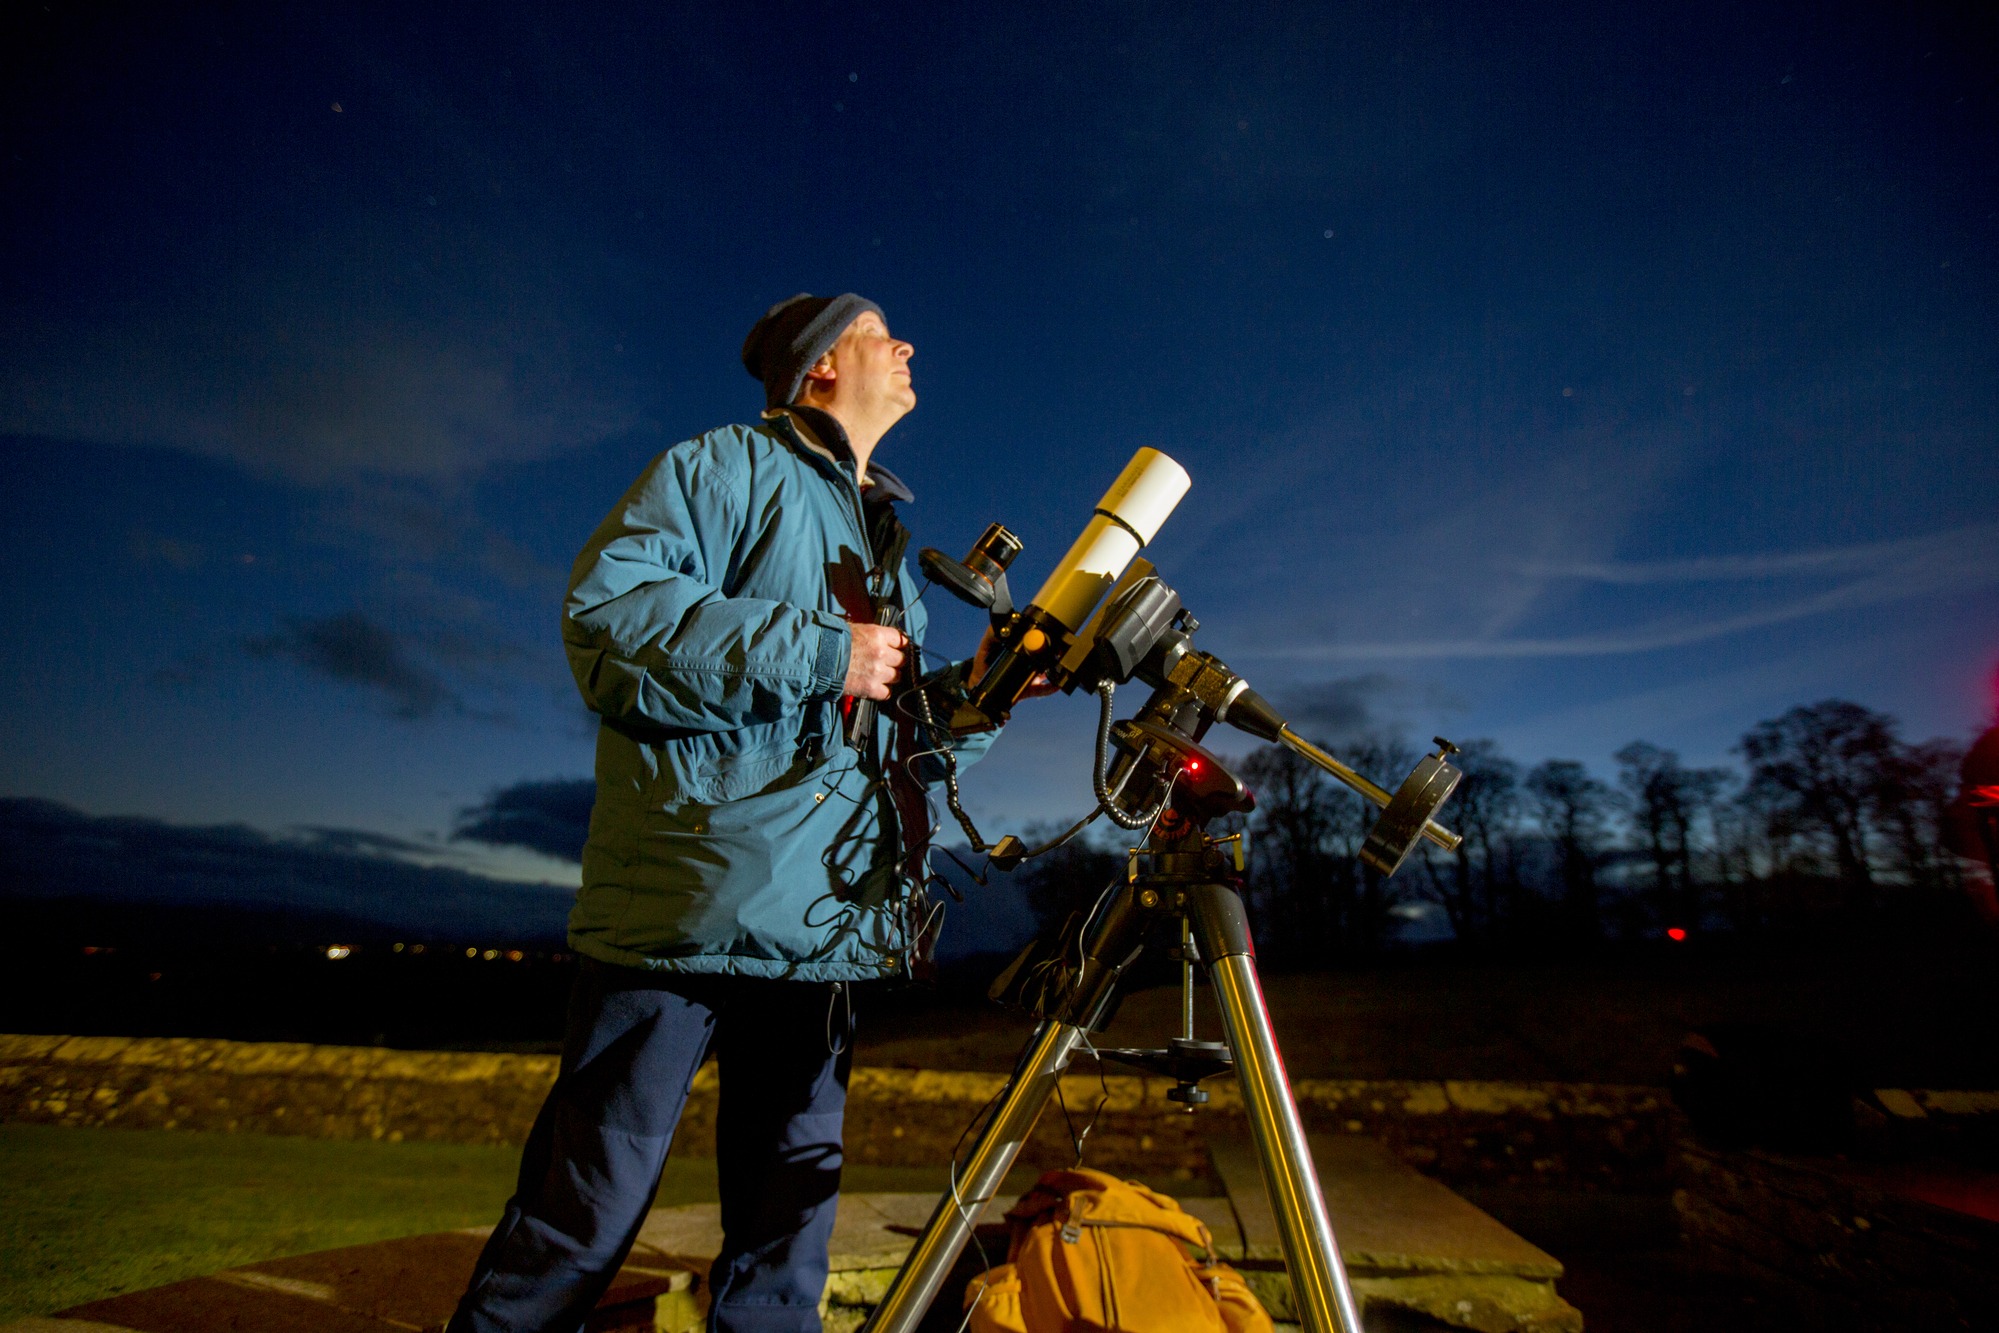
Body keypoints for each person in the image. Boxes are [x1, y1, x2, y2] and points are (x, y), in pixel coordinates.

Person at [449, 292, 1000, 1333]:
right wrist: (818, 647)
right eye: (881, 330)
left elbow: (894, 744)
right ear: (820, 368)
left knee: (787, 1235)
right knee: (584, 1215)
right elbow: (609, 622)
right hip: (685, 912)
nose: (909, 342)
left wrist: (983, 703)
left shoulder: (884, 540)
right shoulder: (719, 468)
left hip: (823, 927)